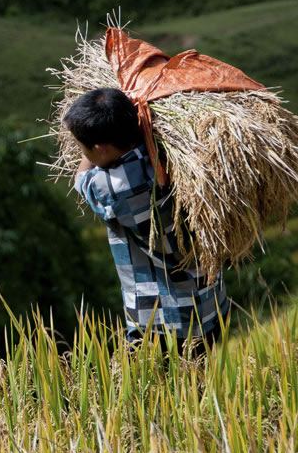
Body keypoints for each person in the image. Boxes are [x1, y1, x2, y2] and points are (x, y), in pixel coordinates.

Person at [64, 87, 228, 358]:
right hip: (210, 304)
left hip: (164, 322)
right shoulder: (170, 157)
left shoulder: (119, 187)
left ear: (102, 148)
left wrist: (89, 151)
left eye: (83, 146)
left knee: (147, 395)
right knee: (194, 388)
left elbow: (82, 181)